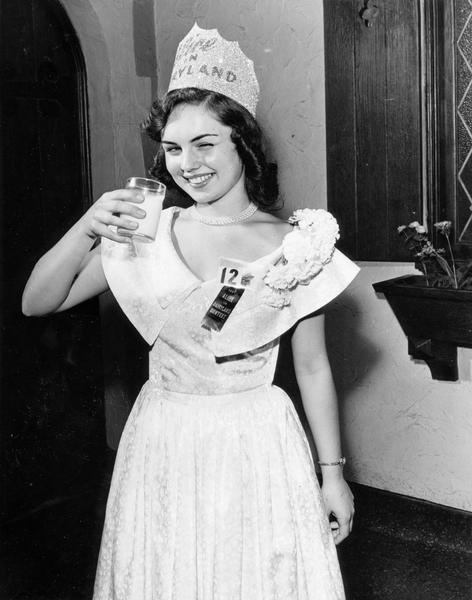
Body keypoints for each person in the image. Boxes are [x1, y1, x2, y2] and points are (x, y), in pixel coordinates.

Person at [22, 24, 359, 600]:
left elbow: (313, 369)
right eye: (173, 148)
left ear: (243, 145)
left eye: (206, 143)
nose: (188, 163)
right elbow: (38, 301)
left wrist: (334, 478)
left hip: (256, 438)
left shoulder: (296, 243)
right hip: (164, 434)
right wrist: (88, 224)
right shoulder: (148, 230)